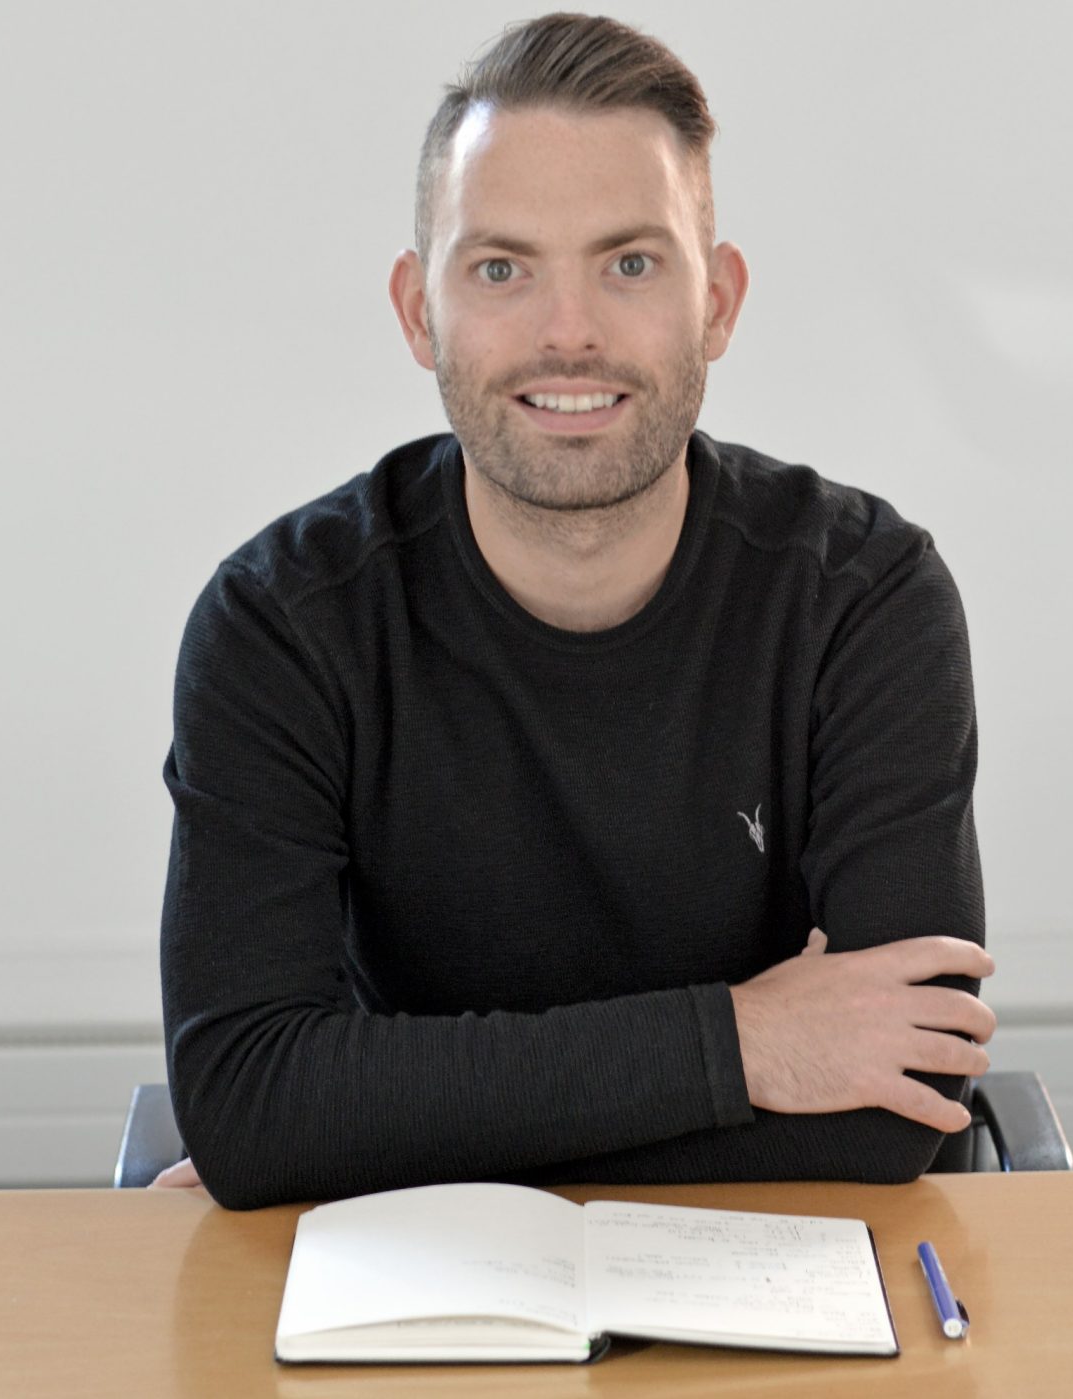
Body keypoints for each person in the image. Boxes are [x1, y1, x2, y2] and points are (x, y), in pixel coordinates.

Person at [155, 13, 995, 1209]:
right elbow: (249, 1101)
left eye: (630, 263)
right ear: (416, 312)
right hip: (415, 1304)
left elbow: (888, 1112)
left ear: (716, 302)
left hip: (789, 1295)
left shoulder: (861, 599)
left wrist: (362, 1131)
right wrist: (742, 1048)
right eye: (499, 268)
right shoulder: (280, 625)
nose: (568, 331)